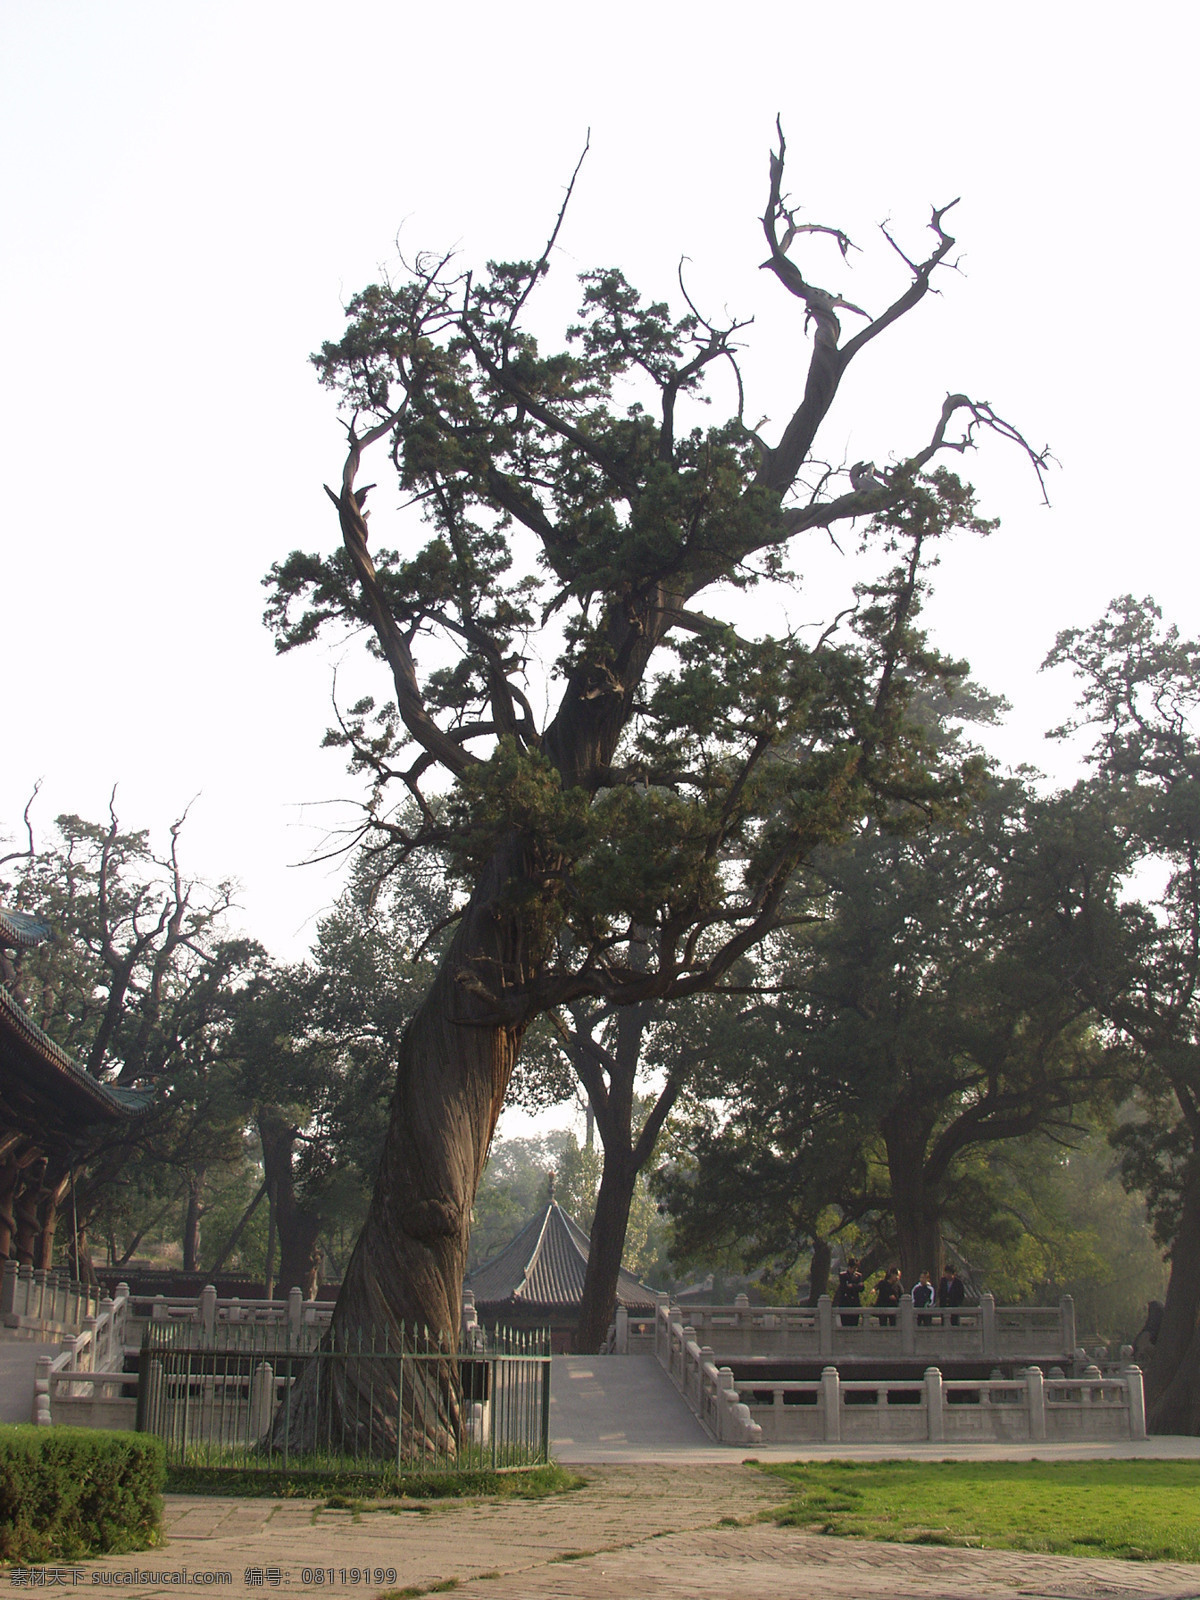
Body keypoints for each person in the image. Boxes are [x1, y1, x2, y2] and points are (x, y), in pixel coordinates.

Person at [834, 1257, 865, 1327]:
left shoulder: (858, 1276)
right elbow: (844, 1288)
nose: (854, 1270)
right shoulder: (843, 1275)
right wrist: (856, 1286)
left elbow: (861, 1288)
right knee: (845, 1323)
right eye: (853, 1268)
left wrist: (853, 1286)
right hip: (845, 1302)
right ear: (849, 1267)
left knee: (854, 1323)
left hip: (855, 1303)